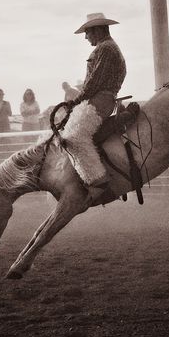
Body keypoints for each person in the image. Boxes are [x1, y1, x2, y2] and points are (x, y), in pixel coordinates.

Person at [62, 12, 127, 203]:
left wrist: (75, 101)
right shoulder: (108, 47)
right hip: (102, 99)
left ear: (98, 30)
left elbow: (94, 83)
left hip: (100, 100)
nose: (85, 37)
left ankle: (100, 183)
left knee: (74, 137)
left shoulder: (106, 49)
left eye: (87, 32)